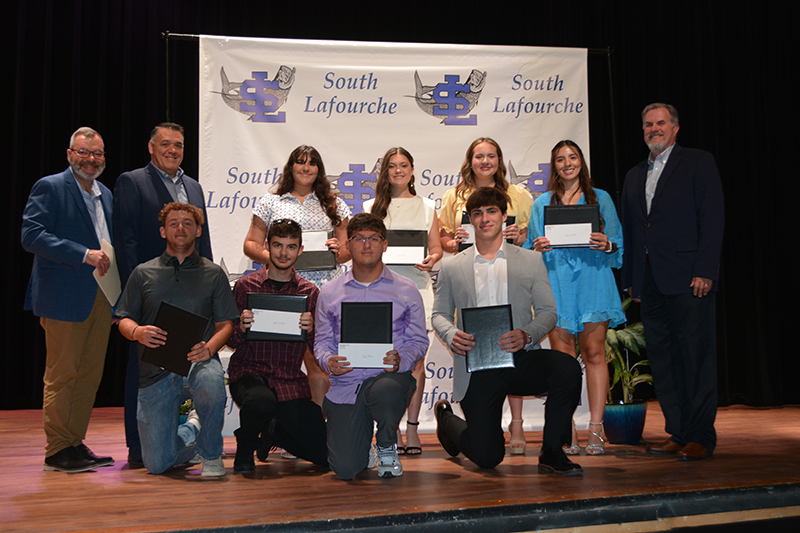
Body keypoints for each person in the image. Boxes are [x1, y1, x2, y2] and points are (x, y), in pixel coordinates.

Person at [432, 187, 583, 476]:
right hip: (477, 365)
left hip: (520, 358)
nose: (484, 218)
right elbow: (438, 315)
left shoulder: (530, 260)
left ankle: (552, 451)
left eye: (491, 212)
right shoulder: (452, 267)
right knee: (487, 457)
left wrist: (527, 334)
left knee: (566, 368)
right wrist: (452, 335)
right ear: (470, 220)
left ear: (504, 217)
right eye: (477, 213)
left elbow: (549, 312)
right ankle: (448, 422)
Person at [621, 103, 724, 461]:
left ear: (675, 127)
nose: (653, 129)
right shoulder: (634, 175)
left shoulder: (697, 162)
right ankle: (678, 432)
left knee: (695, 357)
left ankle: (700, 436)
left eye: (660, 123)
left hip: (688, 277)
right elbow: (634, 233)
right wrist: (632, 280)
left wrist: (706, 269)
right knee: (663, 360)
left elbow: (712, 218)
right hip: (649, 282)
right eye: (648, 124)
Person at [114, 122, 213, 466]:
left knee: (185, 367)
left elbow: (204, 241)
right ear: (151, 147)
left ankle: (183, 433)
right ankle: (138, 445)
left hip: (192, 291)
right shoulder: (132, 182)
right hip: (151, 291)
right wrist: (138, 293)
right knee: (142, 366)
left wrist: (211, 288)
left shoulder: (194, 187)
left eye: (179, 145)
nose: (173, 150)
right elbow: (125, 241)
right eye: (166, 144)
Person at [115, 203, 239, 476]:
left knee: (211, 381)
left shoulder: (213, 273)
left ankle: (210, 455)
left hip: (198, 362)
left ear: (198, 231)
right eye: (173, 223)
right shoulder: (142, 273)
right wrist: (137, 332)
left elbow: (225, 325)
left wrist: (210, 348)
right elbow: (123, 319)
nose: (180, 228)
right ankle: (192, 430)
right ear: (162, 231)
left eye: (187, 223)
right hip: (155, 371)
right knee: (158, 464)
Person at [21, 126, 115, 473]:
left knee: (89, 376)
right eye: (83, 152)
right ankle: (57, 448)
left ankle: (74, 442)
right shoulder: (50, 186)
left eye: (97, 153)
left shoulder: (105, 193)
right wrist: (82, 254)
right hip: (64, 297)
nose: (91, 159)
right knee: (62, 376)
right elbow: (31, 235)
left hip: (102, 298)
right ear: (69, 154)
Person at [523, 140, 625, 456]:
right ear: (553, 166)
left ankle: (596, 427)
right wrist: (536, 248)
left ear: (581, 161)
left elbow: (618, 246)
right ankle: (565, 428)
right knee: (563, 361)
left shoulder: (602, 199)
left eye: (573, 157)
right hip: (556, 285)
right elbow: (527, 249)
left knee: (595, 354)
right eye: (560, 159)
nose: (567, 163)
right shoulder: (541, 204)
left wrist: (606, 244)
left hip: (593, 282)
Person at [314, 213, 429, 479]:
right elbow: (322, 341)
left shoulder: (407, 289)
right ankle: (364, 447)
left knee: (386, 390)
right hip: (347, 384)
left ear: (385, 244)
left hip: (388, 378)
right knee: (345, 469)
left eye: (374, 238)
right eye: (359, 238)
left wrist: (403, 359)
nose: (367, 245)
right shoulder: (330, 292)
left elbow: (418, 341)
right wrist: (327, 360)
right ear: (347, 244)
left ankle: (387, 444)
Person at [438, 137, 534, 452]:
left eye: (491, 156)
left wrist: (519, 237)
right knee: (477, 357)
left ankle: (517, 426)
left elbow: (530, 236)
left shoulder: (519, 195)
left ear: (499, 160)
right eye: (479, 156)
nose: (485, 162)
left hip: (509, 282)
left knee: (513, 356)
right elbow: (443, 239)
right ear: (470, 160)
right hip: (472, 284)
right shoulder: (453, 196)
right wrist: (456, 243)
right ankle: (462, 424)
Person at [242, 145, 351, 411]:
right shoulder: (270, 202)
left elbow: (350, 248)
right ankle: (286, 430)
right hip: (283, 292)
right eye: (300, 162)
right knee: (282, 364)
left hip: (325, 293)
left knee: (320, 362)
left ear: (319, 170)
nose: (306, 168)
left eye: (312, 163)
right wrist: (279, 258)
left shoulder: (334, 203)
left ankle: (320, 427)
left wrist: (340, 252)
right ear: (291, 167)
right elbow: (251, 244)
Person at [227, 219, 328, 474]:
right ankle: (245, 450)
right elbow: (230, 341)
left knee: (324, 455)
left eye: (291, 247)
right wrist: (241, 327)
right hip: (250, 374)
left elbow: (319, 349)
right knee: (261, 401)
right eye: (278, 246)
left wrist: (312, 329)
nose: (284, 253)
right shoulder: (245, 286)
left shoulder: (310, 292)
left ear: (300, 250)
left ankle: (271, 432)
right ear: (267, 247)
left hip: (289, 380)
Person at [363, 147, 443, 455]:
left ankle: (411, 428)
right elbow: (365, 249)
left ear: (412, 170)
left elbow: (436, 248)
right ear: (385, 172)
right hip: (380, 291)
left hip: (417, 289)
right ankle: (390, 426)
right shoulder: (372, 207)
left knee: (416, 363)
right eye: (392, 166)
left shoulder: (426, 206)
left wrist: (431, 258)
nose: (398, 171)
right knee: (384, 360)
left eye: (404, 165)